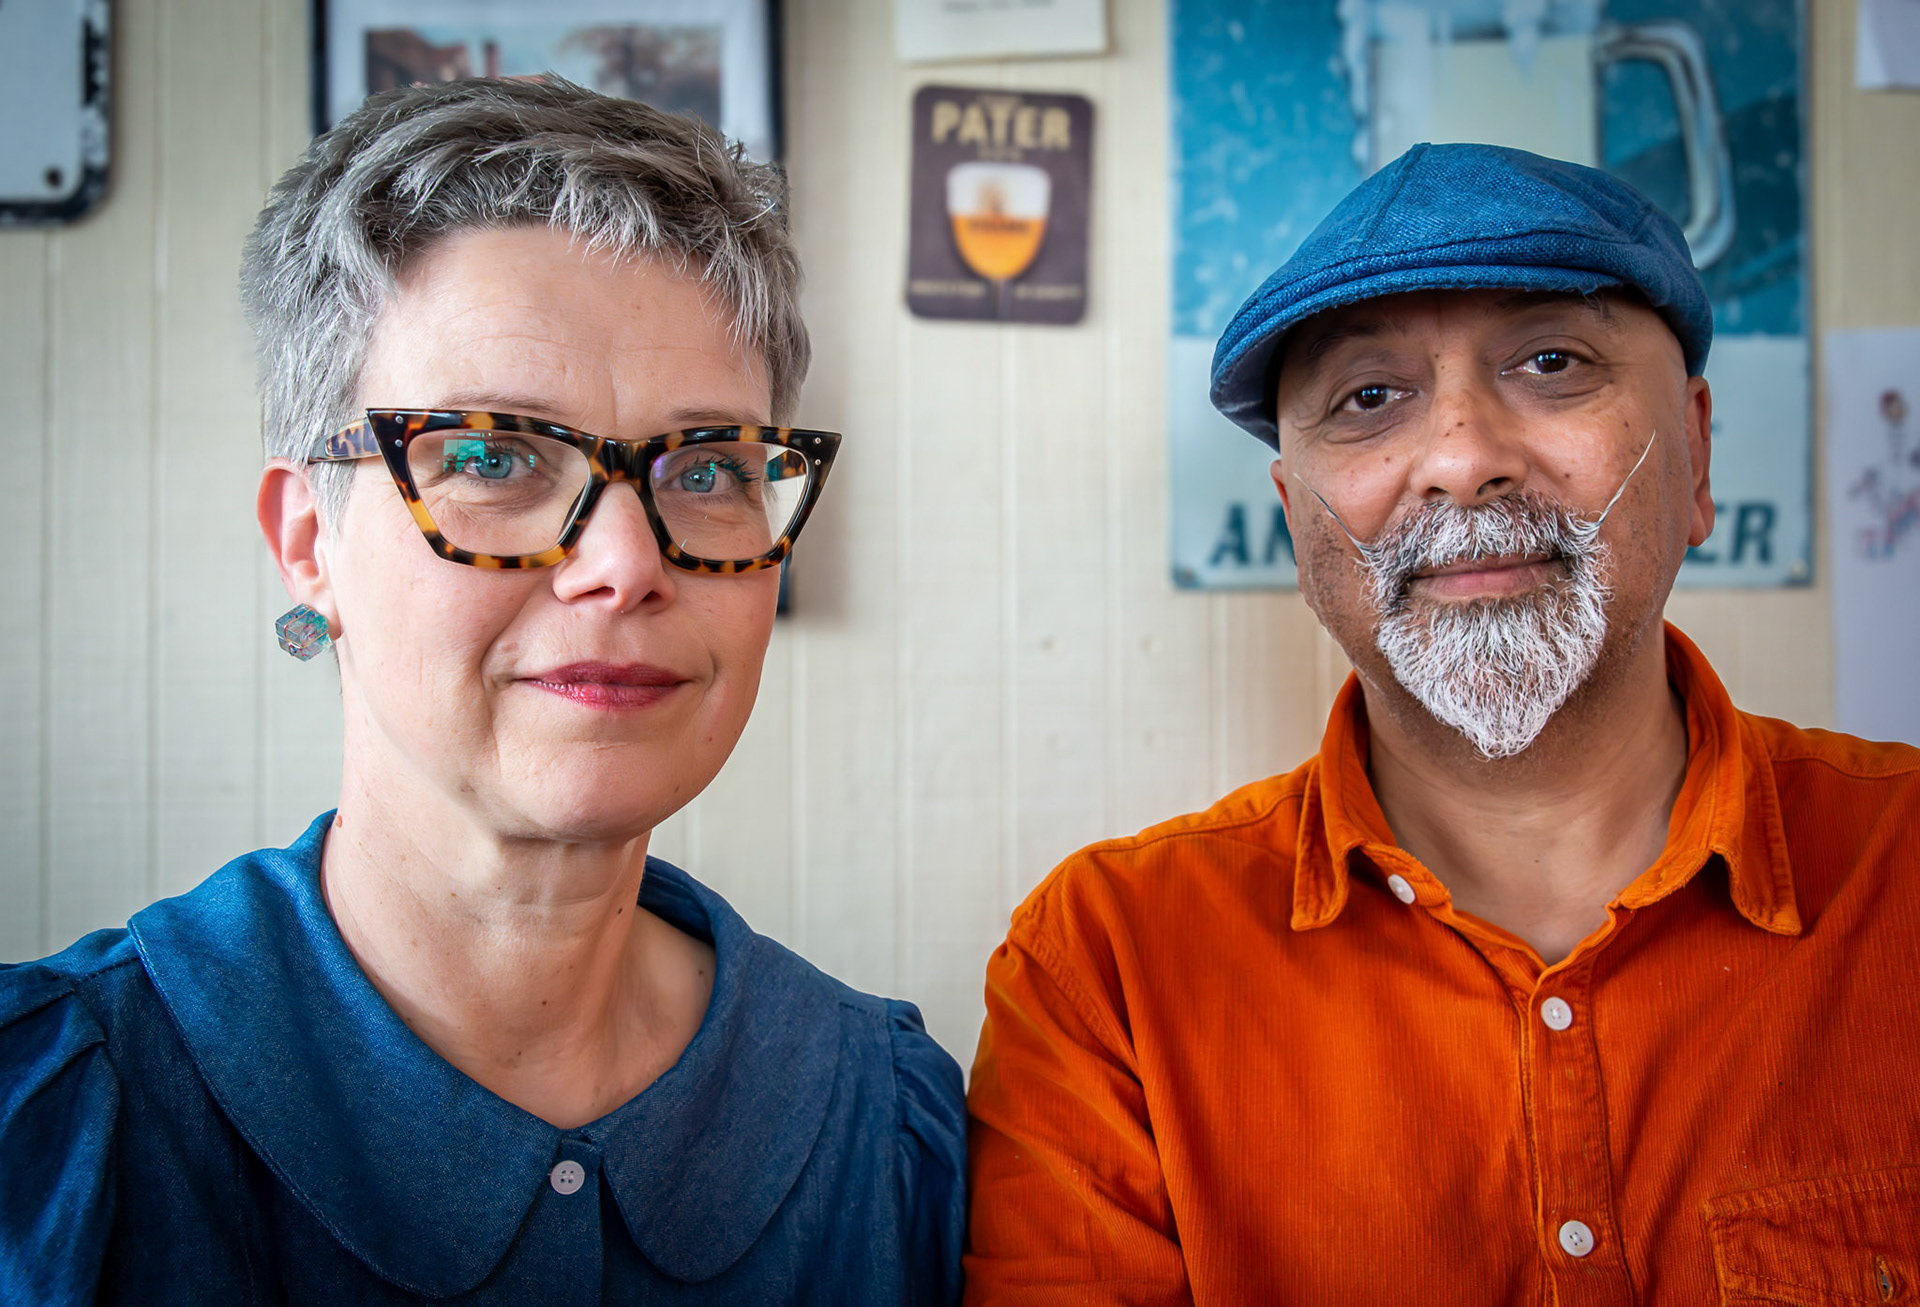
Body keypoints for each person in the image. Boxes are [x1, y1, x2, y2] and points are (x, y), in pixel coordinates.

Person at [0, 79, 964, 1304]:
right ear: (309, 542)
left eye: (710, 467)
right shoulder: (48, 1123)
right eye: (493, 457)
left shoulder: (892, 1128)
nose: (626, 562)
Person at [964, 144, 1920, 1302]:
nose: (1463, 460)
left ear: (1699, 455)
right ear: (1296, 522)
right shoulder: (1106, 966)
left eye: (1554, 361)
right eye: (1370, 397)